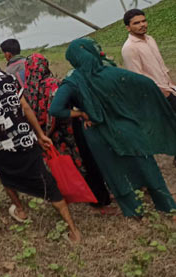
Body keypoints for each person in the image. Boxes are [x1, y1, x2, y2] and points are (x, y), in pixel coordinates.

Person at [0, 42, 81, 242]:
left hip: (0, 145)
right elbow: (26, 108)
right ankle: (73, 230)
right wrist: (40, 134)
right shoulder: (5, 76)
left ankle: (20, 210)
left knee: (7, 178)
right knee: (44, 178)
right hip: (25, 138)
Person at [49, 38, 176, 218]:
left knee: (115, 172)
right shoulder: (112, 72)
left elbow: (55, 109)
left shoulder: (72, 81)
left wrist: (81, 113)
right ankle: (167, 206)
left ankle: (134, 211)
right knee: (145, 165)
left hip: (97, 132)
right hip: (126, 127)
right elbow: (146, 84)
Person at [24, 53, 112, 208]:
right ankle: (101, 200)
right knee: (87, 162)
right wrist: (80, 113)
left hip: (51, 137)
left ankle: (84, 196)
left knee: (71, 166)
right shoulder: (53, 84)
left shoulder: (27, 90)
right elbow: (63, 107)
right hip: (70, 130)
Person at [121, 9, 176, 112]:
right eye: (136, 23)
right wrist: (163, 92)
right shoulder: (129, 48)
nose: (142, 25)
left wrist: (171, 84)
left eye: (144, 21)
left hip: (169, 88)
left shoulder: (150, 39)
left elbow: (161, 65)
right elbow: (138, 78)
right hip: (158, 94)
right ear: (128, 28)